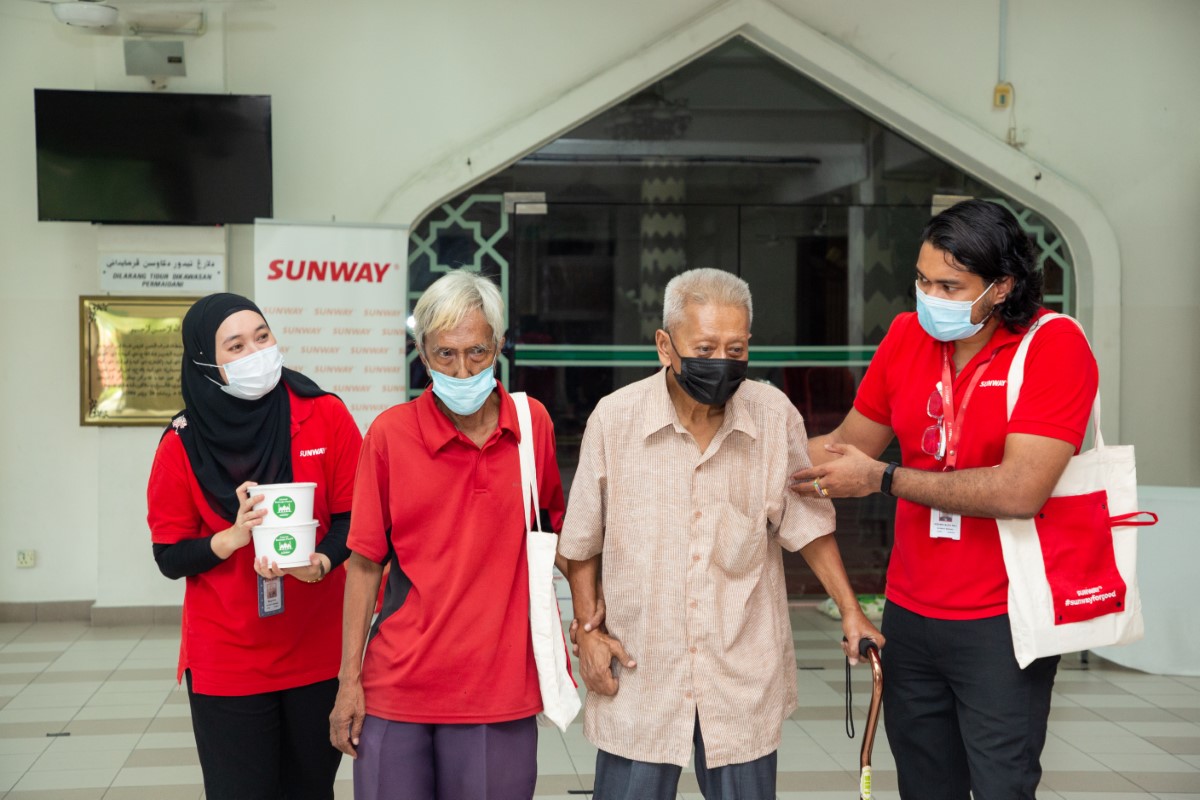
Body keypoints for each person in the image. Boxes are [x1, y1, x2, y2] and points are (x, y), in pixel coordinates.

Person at [791, 199, 1099, 800]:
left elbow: (1019, 489)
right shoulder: (908, 335)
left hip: (1004, 621)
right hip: (911, 614)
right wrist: (739, 447)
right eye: (923, 280)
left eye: (951, 286)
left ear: (1002, 286)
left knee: (1001, 786)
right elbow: (843, 451)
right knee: (925, 786)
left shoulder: (1052, 347)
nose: (931, 296)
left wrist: (885, 479)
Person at [558, 267, 882, 800]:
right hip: (642, 668)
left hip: (740, 669)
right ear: (666, 345)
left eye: (736, 350)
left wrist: (850, 609)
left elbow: (807, 527)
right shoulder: (614, 420)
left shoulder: (773, 415)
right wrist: (587, 633)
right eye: (705, 348)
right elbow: (582, 544)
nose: (722, 364)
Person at [330, 270, 567, 800]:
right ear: (423, 354)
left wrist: (596, 618)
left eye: (477, 352)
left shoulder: (533, 427)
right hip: (397, 684)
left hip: (496, 687)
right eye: (446, 355)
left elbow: (557, 535)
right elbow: (365, 565)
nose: (463, 369)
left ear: (500, 346)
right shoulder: (390, 435)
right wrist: (349, 682)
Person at [147, 292, 363, 800]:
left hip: (317, 650)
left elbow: (356, 516)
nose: (256, 353)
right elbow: (169, 556)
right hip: (228, 659)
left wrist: (325, 560)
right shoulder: (181, 442)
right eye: (236, 345)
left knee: (311, 789)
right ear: (207, 362)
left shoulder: (324, 414)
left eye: (262, 337)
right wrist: (227, 540)